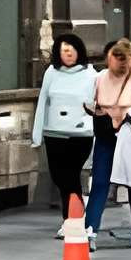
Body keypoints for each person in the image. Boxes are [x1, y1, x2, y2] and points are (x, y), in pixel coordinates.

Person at [83, 37, 131, 244]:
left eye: (124, 60)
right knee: (99, 182)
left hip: (129, 136)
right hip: (106, 135)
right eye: (116, 58)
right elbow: (91, 102)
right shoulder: (100, 78)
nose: (119, 64)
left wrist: (127, 114)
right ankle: (90, 229)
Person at [32, 31, 96, 237]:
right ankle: (73, 217)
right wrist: (37, 134)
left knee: (70, 176)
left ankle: (73, 220)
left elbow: (98, 105)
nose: (67, 54)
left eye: (71, 50)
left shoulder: (92, 75)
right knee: (60, 177)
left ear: (79, 51)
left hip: (80, 134)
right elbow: (43, 101)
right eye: (63, 51)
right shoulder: (51, 72)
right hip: (54, 133)